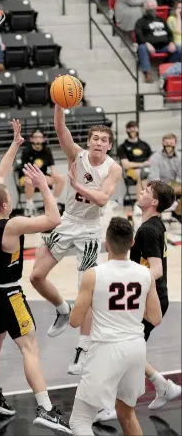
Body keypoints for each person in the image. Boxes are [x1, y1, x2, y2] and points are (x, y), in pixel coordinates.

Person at [0, 119, 71, 433]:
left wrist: (15, 144)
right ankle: (46, 409)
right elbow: (53, 219)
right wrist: (45, 186)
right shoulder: (10, 224)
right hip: (8, 292)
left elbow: (0, 175)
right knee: (29, 347)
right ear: (5, 204)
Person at [30, 103, 122, 375]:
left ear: (108, 146)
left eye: (104, 140)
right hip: (67, 220)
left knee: (88, 293)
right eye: (95, 138)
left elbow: (103, 198)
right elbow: (60, 128)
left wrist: (78, 185)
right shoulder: (76, 155)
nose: (98, 142)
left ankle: (83, 349)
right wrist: (59, 104)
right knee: (36, 276)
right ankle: (61, 308)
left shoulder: (112, 169)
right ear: (89, 141)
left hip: (91, 230)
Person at [97, 180, 181, 423]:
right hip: (147, 298)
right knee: (127, 351)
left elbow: (156, 269)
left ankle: (112, 404)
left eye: (146, 191)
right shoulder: (149, 226)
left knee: (122, 351)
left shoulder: (148, 230)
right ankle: (163, 386)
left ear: (154, 202)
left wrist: (128, 278)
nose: (140, 191)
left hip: (151, 301)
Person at [69, 216, 162, 436]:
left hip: (107, 349)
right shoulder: (145, 274)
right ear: (132, 243)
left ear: (106, 242)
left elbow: (74, 320)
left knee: (80, 422)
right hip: (136, 349)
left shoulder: (94, 275)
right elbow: (155, 317)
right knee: (126, 413)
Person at [19, 129, 65, 216]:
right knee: (29, 179)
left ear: (43, 139)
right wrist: (33, 176)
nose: (38, 139)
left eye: (40, 137)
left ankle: (53, 203)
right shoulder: (26, 151)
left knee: (61, 178)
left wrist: (54, 174)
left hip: (42, 176)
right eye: (35, 137)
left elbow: (53, 168)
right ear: (31, 139)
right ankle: (29, 205)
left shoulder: (47, 150)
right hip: (27, 176)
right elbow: (24, 169)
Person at [135, 0, 181, 83]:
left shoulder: (161, 20)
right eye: (149, 6)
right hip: (149, 46)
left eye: (153, 6)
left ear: (156, 7)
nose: (151, 8)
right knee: (142, 48)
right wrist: (146, 43)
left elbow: (169, 33)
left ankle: (165, 66)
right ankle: (147, 73)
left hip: (164, 46)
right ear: (145, 8)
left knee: (179, 49)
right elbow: (138, 34)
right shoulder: (140, 21)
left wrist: (171, 42)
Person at [117, 121, 152, 213]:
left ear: (138, 129)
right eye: (130, 128)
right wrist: (142, 164)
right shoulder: (122, 147)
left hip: (147, 171)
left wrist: (145, 165)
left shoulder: (145, 145)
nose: (132, 130)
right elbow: (125, 164)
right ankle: (143, 201)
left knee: (144, 172)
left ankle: (141, 202)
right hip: (131, 172)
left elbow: (151, 160)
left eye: (134, 128)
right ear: (126, 130)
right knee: (140, 172)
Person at [148, 133, 181, 223]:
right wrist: (164, 188)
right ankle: (157, 216)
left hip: (173, 183)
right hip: (159, 183)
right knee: (156, 190)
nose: (169, 146)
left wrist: (176, 187)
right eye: (166, 143)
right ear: (163, 143)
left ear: (175, 144)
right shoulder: (155, 157)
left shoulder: (180, 157)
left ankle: (177, 213)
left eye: (171, 143)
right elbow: (154, 178)